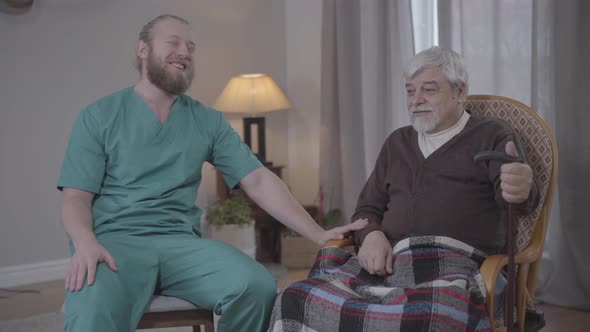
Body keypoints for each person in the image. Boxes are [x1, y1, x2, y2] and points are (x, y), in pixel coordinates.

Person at [58, 14, 367, 332]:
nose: (185, 52)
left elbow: (258, 179)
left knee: (256, 285)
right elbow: (76, 199)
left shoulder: (207, 121)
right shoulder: (99, 116)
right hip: (115, 244)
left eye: (190, 46)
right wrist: (84, 242)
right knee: (91, 312)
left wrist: (317, 233)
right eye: (174, 42)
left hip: (182, 245)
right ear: (142, 50)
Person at [268, 46, 540, 331]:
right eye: (410, 91)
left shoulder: (493, 135)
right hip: (386, 267)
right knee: (293, 297)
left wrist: (521, 187)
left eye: (429, 90)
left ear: (460, 92)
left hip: (456, 269)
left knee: (429, 316)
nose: (416, 100)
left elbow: (520, 202)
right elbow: (367, 208)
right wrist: (371, 235)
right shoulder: (397, 143)